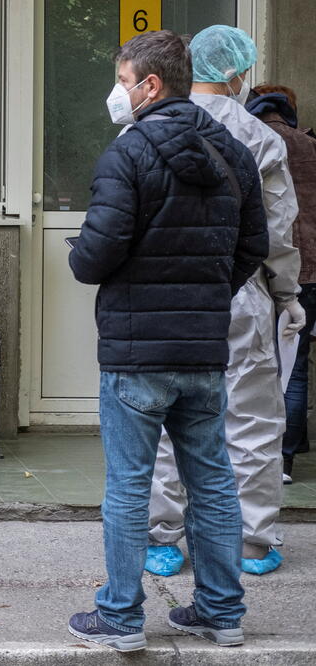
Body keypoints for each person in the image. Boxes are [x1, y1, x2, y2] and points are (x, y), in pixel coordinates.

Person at [67, 30, 268, 651]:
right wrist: (206, 295)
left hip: (135, 354)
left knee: (129, 485)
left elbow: (93, 259)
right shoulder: (234, 153)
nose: (118, 93)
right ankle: (221, 611)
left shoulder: (126, 155)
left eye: (123, 81)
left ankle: (122, 619)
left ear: (149, 85)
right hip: (203, 349)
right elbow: (253, 250)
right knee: (212, 479)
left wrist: (85, 253)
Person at [146, 25, 303, 579]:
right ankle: (252, 541)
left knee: (161, 417)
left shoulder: (149, 127)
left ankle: (159, 538)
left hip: (163, 297)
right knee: (252, 421)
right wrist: (287, 291)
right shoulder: (260, 137)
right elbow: (278, 229)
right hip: (240, 293)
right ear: (235, 73)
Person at [248, 84, 316, 483]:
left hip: (273, 269)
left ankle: (275, 459)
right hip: (312, 270)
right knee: (298, 364)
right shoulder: (310, 145)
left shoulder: (254, 142)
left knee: (267, 366)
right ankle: (290, 453)